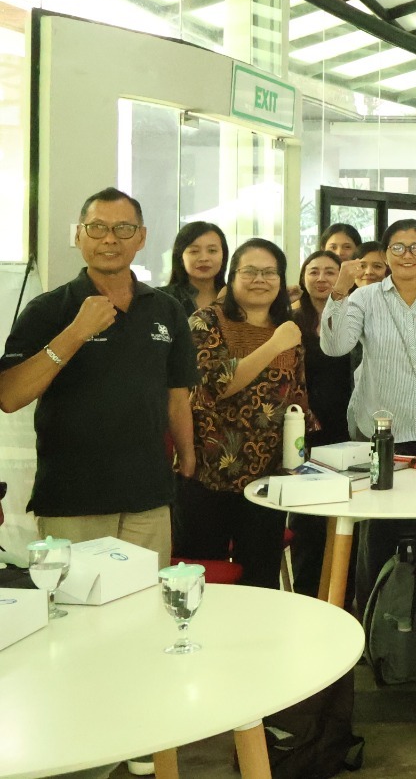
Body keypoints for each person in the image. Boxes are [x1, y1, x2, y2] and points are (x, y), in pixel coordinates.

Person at [0, 188, 197, 569]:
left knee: (145, 600)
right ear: (79, 236)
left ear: (141, 237)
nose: (110, 239)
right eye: (97, 228)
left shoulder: (167, 310)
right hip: (72, 498)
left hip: (148, 497)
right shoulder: (48, 310)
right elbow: (9, 396)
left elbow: (177, 394)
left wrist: (187, 456)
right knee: (75, 604)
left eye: (123, 228)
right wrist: (76, 333)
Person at [320, 218, 416, 646]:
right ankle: (372, 631)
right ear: (385, 254)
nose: (407, 256)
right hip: (379, 437)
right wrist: (339, 291)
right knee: (377, 536)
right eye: (398, 247)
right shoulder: (365, 298)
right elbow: (334, 346)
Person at [177, 238, 307, 590]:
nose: (260, 279)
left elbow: (297, 398)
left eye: (270, 272)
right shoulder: (206, 321)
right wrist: (274, 345)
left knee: (261, 581)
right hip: (208, 473)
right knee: (202, 581)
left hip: (267, 478)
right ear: (232, 276)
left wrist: (298, 459)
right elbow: (214, 385)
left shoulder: (286, 326)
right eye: (249, 271)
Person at [288, 249, 353, 596]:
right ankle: (307, 592)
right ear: (303, 277)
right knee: (307, 517)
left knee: (346, 512)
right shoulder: (289, 320)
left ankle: (345, 592)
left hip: (347, 428)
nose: (322, 278)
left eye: (331, 271)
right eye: (314, 271)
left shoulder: (353, 315)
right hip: (303, 430)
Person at [161, 221, 229, 315]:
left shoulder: (235, 299)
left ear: (223, 256)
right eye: (194, 251)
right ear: (180, 257)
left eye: (212, 250)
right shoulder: (162, 298)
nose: (204, 258)